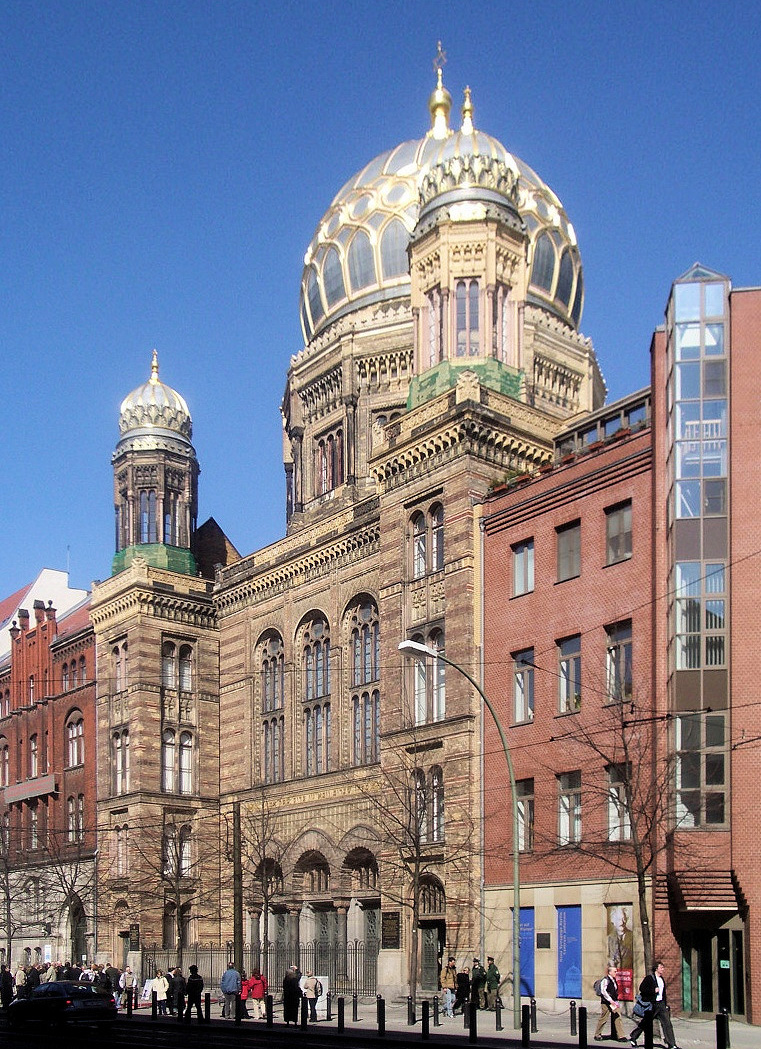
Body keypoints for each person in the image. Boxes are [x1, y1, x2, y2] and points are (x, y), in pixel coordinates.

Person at [630, 962, 679, 1049]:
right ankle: (634, 1036)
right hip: (652, 1005)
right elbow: (642, 988)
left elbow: (663, 994)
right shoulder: (649, 978)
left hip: (661, 1004)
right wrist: (653, 990)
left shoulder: (662, 979)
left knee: (667, 1023)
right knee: (646, 1023)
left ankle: (672, 1044)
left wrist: (665, 1004)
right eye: (661, 967)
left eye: (663, 967)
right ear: (656, 968)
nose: (663, 969)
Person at [594, 965, 627, 1042]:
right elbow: (603, 991)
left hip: (614, 1002)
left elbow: (614, 991)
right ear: (610, 972)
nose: (616, 972)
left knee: (617, 1016)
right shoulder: (606, 980)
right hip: (606, 1002)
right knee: (604, 1018)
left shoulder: (613, 980)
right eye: (614, 971)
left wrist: (615, 1001)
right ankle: (597, 1034)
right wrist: (610, 1000)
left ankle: (621, 1036)